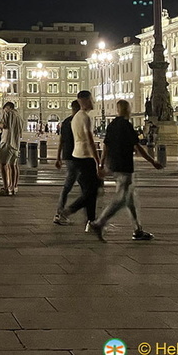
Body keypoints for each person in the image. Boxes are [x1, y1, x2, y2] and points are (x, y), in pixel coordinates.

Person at [88, 99, 163, 242]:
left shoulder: (112, 125)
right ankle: (99, 223)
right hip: (124, 166)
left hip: (114, 166)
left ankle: (137, 230)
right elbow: (137, 147)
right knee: (122, 199)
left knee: (130, 199)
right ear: (127, 110)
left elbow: (105, 146)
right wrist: (152, 161)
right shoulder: (127, 125)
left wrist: (102, 164)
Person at [56, 91, 103, 227]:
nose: (93, 101)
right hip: (85, 157)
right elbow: (90, 141)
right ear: (86, 100)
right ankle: (68, 211)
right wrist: (98, 162)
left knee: (90, 190)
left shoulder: (75, 117)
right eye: (91, 99)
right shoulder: (85, 118)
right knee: (91, 191)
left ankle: (91, 220)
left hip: (76, 155)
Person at [53, 99, 82, 225]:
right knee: (70, 186)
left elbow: (61, 140)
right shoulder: (78, 121)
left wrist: (58, 157)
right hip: (77, 156)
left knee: (83, 186)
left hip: (67, 156)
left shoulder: (65, 122)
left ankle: (90, 217)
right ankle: (60, 213)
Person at [0, 101, 22, 196]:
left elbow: (4, 125)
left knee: (2, 164)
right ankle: (13, 187)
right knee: (13, 165)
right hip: (16, 144)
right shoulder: (19, 117)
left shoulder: (8, 113)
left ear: (7, 108)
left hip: (7, 142)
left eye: (4, 109)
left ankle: (5, 188)